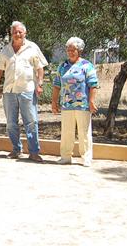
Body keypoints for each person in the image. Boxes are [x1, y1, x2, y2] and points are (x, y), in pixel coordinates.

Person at [0, 21, 48, 162]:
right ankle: (16, 150)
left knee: (31, 122)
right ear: (11, 34)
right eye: (15, 32)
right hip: (9, 92)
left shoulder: (32, 47)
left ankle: (34, 152)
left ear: (25, 33)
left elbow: (40, 68)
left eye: (20, 32)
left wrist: (39, 84)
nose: (17, 34)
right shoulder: (5, 50)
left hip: (27, 90)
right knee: (11, 123)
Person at [51, 37, 99, 167]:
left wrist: (92, 101)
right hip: (66, 104)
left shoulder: (86, 65)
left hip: (82, 105)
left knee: (84, 132)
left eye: (73, 50)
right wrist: (54, 102)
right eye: (68, 50)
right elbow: (56, 85)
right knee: (67, 132)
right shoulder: (63, 66)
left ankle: (86, 157)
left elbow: (93, 85)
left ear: (80, 51)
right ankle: (65, 156)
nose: (70, 52)